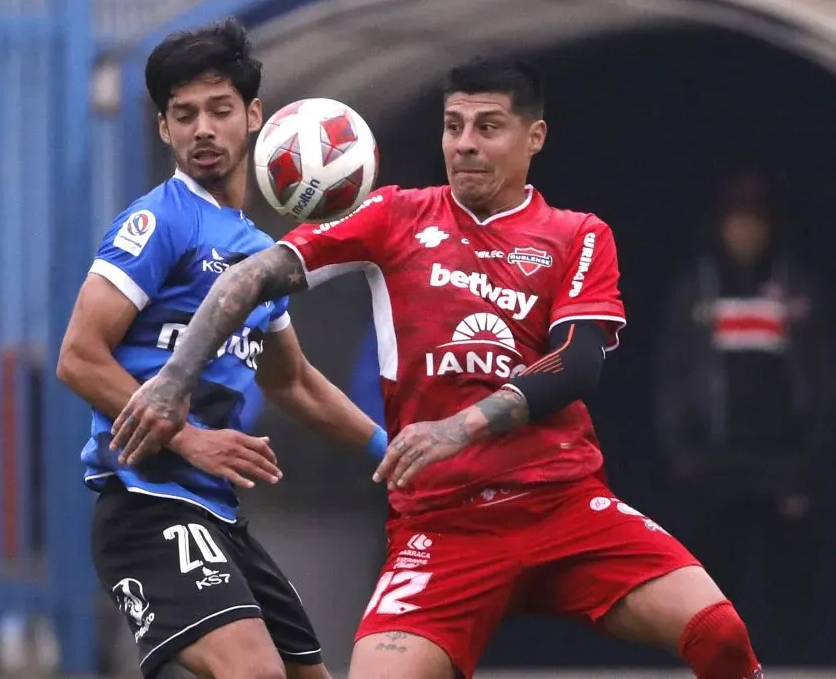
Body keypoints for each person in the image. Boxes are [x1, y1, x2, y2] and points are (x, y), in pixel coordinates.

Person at [111, 56, 766, 679]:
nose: (465, 145)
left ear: (533, 136)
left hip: (565, 507)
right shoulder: (395, 216)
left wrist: (460, 427)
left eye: (487, 127)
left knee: (720, 633)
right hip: (443, 526)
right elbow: (252, 277)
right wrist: (173, 381)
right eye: (453, 127)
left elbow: (578, 361)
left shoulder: (577, 233)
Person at [55, 19, 386, 679]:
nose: (202, 128)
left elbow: (293, 382)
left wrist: (394, 450)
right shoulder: (161, 220)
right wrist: (189, 439)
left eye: (219, 109)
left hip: (219, 515)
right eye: (184, 115)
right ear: (163, 130)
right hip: (145, 504)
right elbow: (79, 356)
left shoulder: (259, 254)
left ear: (255, 116)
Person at [656, 172, 836, 664]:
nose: (745, 233)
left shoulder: (797, 288)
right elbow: (674, 371)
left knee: (791, 581)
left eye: (755, 222)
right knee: (711, 582)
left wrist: (808, 463)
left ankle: (799, 669)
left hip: (782, 462)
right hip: (715, 460)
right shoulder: (697, 288)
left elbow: (820, 377)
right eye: (737, 222)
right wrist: (683, 451)